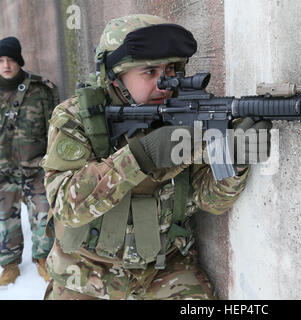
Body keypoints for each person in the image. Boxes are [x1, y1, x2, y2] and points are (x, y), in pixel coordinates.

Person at [41, 14, 271, 300]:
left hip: (164, 269)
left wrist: (236, 162)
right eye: (149, 72)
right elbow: (65, 206)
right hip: (85, 273)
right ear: (114, 76)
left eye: (172, 69)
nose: (165, 82)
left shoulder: (188, 112)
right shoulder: (78, 117)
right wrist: (141, 157)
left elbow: (210, 201)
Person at [0, 36, 58, 286]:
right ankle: (10, 264)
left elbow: (55, 127)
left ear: (19, 61)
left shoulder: (41, 90)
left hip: (35, 167)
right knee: (5, 219)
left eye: (11, 59)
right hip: (3, 170)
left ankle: (42, 259)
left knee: (44, 213)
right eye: (0, 60)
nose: (6, 65)